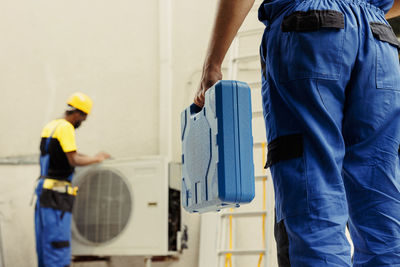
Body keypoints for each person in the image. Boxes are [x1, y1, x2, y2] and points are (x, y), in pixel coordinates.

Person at [195, 0, 400, 265]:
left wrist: (213, 63)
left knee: (311, 182)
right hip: (378, 37)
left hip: (311, 29)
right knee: (378, 185)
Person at [35, 92, 110, 267]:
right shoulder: (66, 128)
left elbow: (67, 154)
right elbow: (73, 160)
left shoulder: (51, 126)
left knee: (45, 246)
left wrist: (91, 157)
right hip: (57, 197)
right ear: (78, 114)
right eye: (83, 118)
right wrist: (98, 159)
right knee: (58, 245)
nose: (82, 122)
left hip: (44, 194)